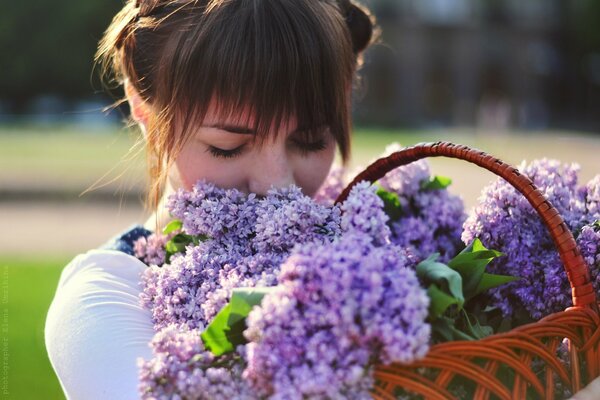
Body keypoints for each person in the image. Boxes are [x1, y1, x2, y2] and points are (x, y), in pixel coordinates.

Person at [44, 0, 376, 398]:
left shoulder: (371, 249)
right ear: (143, 108)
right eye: (227, 146)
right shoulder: (103, 300)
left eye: (309, 141)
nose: (277, 184)